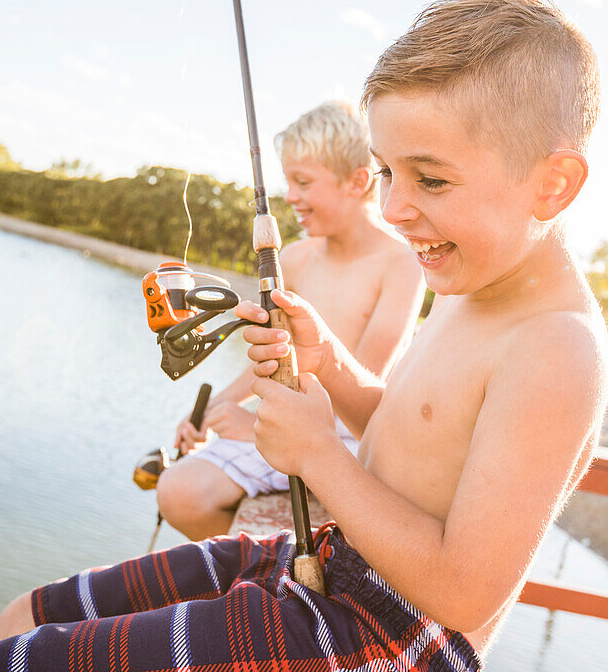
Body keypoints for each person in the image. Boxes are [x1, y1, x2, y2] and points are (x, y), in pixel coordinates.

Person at [0, 0, 608, 671]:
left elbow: (464, 592)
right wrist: (327, 360)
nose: (394, 208)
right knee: (22, 619)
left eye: (432, 181)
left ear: (553, 184)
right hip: (331, 560)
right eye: (388, 172)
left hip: (392, 633)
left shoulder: (557, 347)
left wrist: (318, 456)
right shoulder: (466, 282)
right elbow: (408, 428)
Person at [157, 100, 425, 540]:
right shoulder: (294, 258)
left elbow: (370, 376)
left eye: (303, 182)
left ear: (358, 182)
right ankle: (256, 571)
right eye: (287, 181)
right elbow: (271, 355)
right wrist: (214, 410)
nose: (290, 196)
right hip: (284, 420)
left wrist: (262, 428)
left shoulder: (402, 263)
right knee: (177, 491)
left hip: (356, 438)